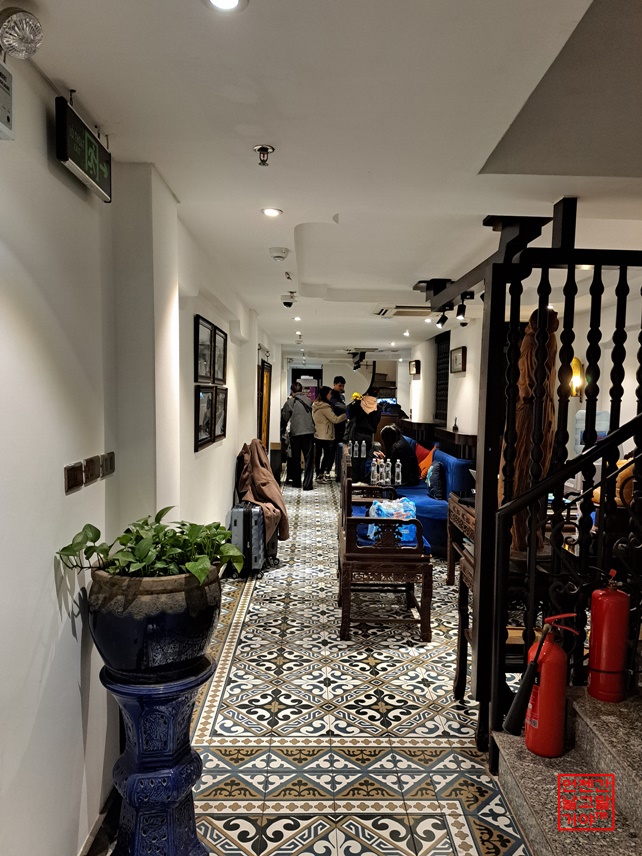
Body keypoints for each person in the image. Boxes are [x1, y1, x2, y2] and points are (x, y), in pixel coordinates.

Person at [280, 382, 316, 490]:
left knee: (295, 458)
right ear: (302, 390)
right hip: (308, 432)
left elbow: (285, 417)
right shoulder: (309, 401)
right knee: (309, 458)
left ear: (292, 391)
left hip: (295, 433)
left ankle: (296, 482)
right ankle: (308, 484)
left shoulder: (290, 402)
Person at [345, 386, 381, 483]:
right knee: (366, 458)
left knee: (356, 458)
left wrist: (356, 401)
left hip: (358, 435)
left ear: (366, 393)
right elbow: (377, 421)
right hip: (369, 436)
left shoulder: (359, 404)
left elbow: (349, 413)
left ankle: (355, 480)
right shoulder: (378, 408)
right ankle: (364, 480)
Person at [312, 386, 347, 481]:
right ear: (325, 394)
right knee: (327, 454)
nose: (330, 396)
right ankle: (321, 473)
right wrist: (345, 415)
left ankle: (318, 473)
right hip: (325, 434)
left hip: (317, 432)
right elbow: (335, 419)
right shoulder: (325, 407)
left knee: (318, 454)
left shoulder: (315, 404)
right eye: (329, 393)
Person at [330, 375, 347, 481]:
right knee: (332, 451)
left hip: (341, 426)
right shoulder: (332, 396)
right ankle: (329, 471)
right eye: (340, 385)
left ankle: (338, 471)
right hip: (334, 426)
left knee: (339, 450)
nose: (341, 388)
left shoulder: (341, 396)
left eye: (343, 386)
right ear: (334, 384)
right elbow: (338, 407)